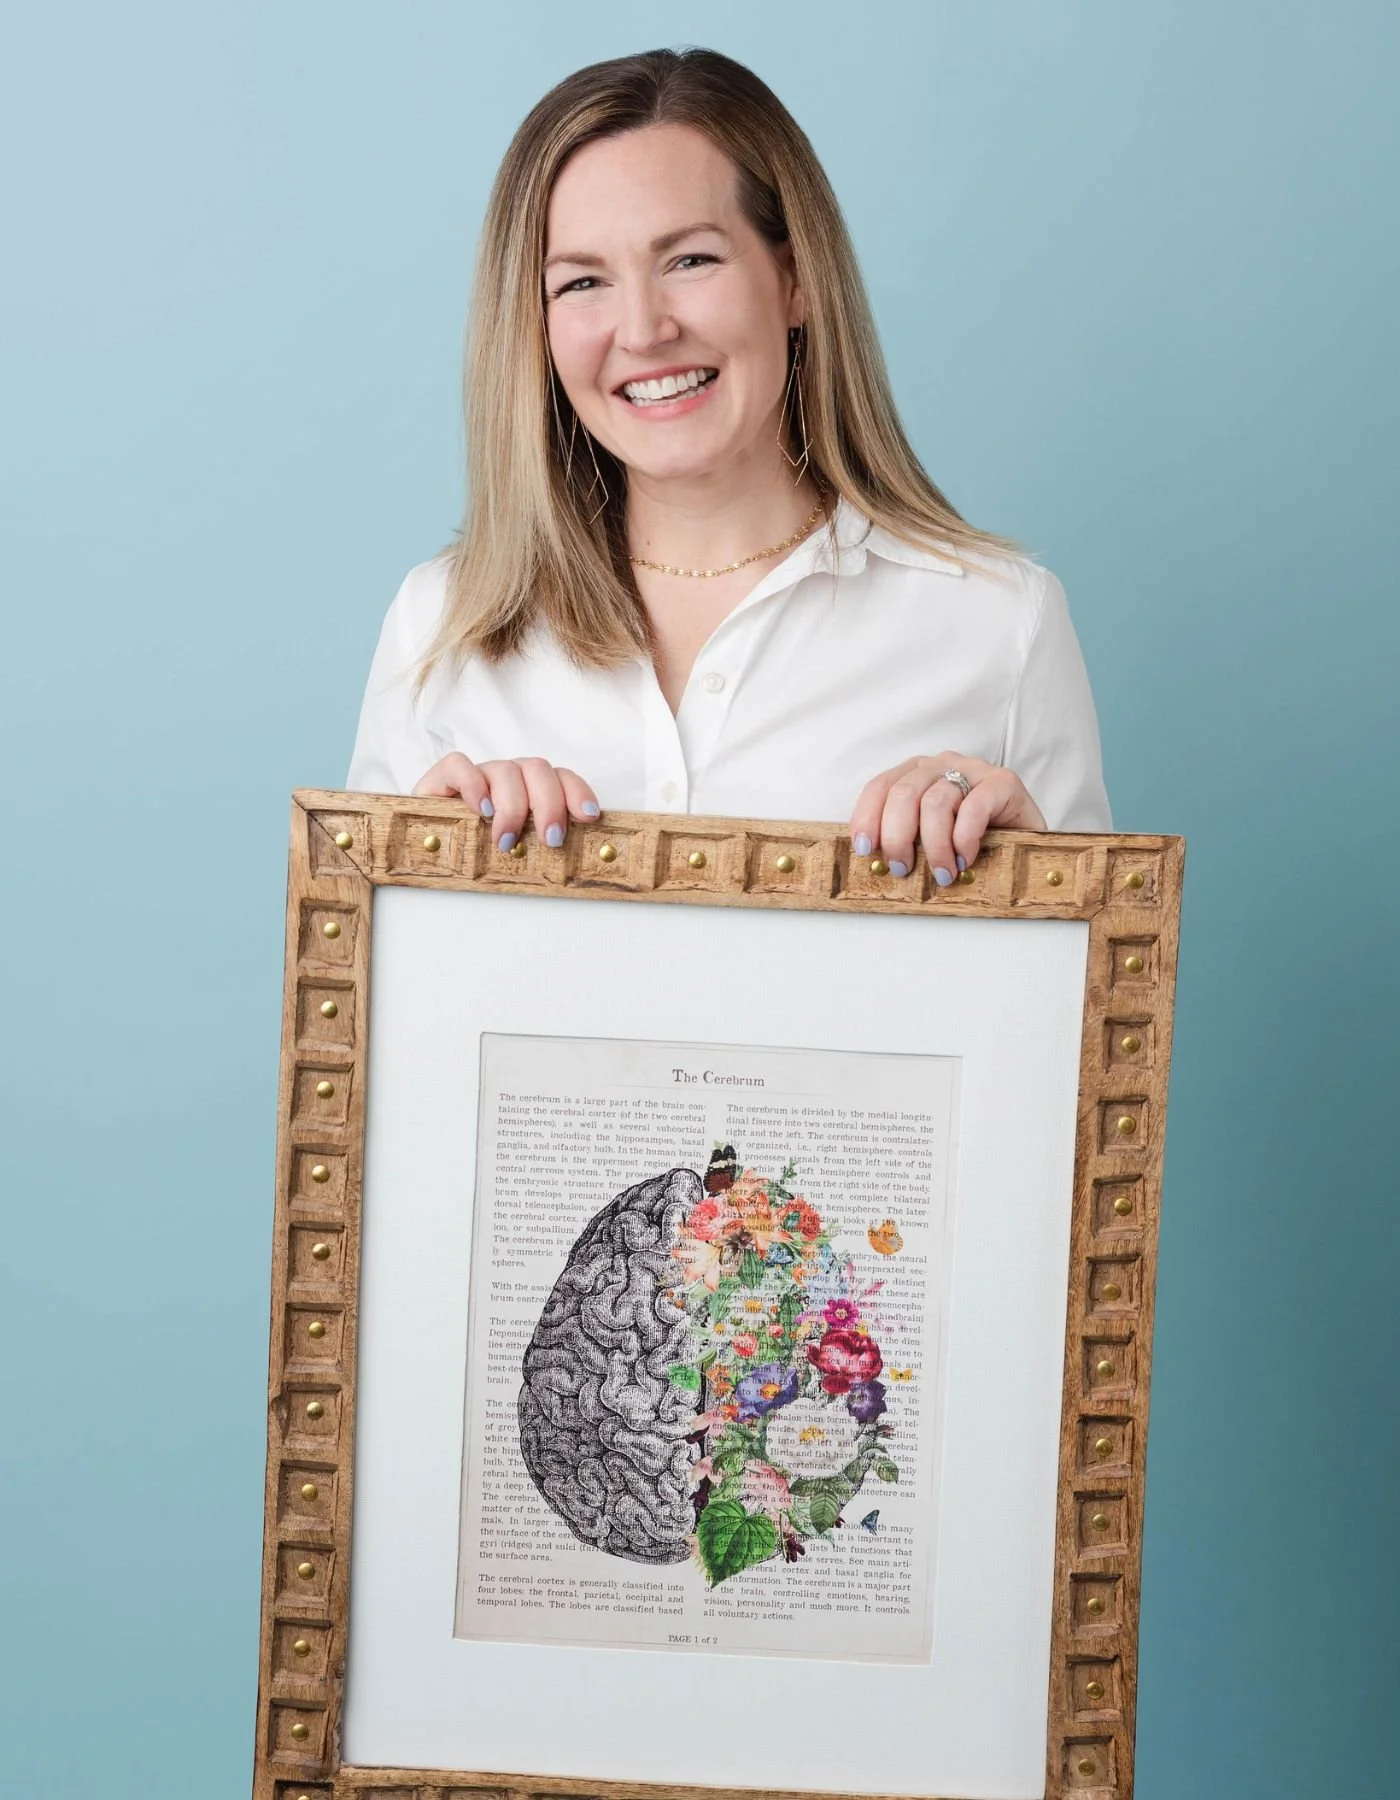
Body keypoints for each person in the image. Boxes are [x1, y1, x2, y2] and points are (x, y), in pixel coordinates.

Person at [348, 47, 1110, 883]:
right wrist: (414, 879)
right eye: (582, 282)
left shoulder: (1002, 624)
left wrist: (1034, 882)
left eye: (691, 261)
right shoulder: (437, 626)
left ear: (795, 280)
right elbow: (357, 962)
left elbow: (1088, 960)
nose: (643, 331)